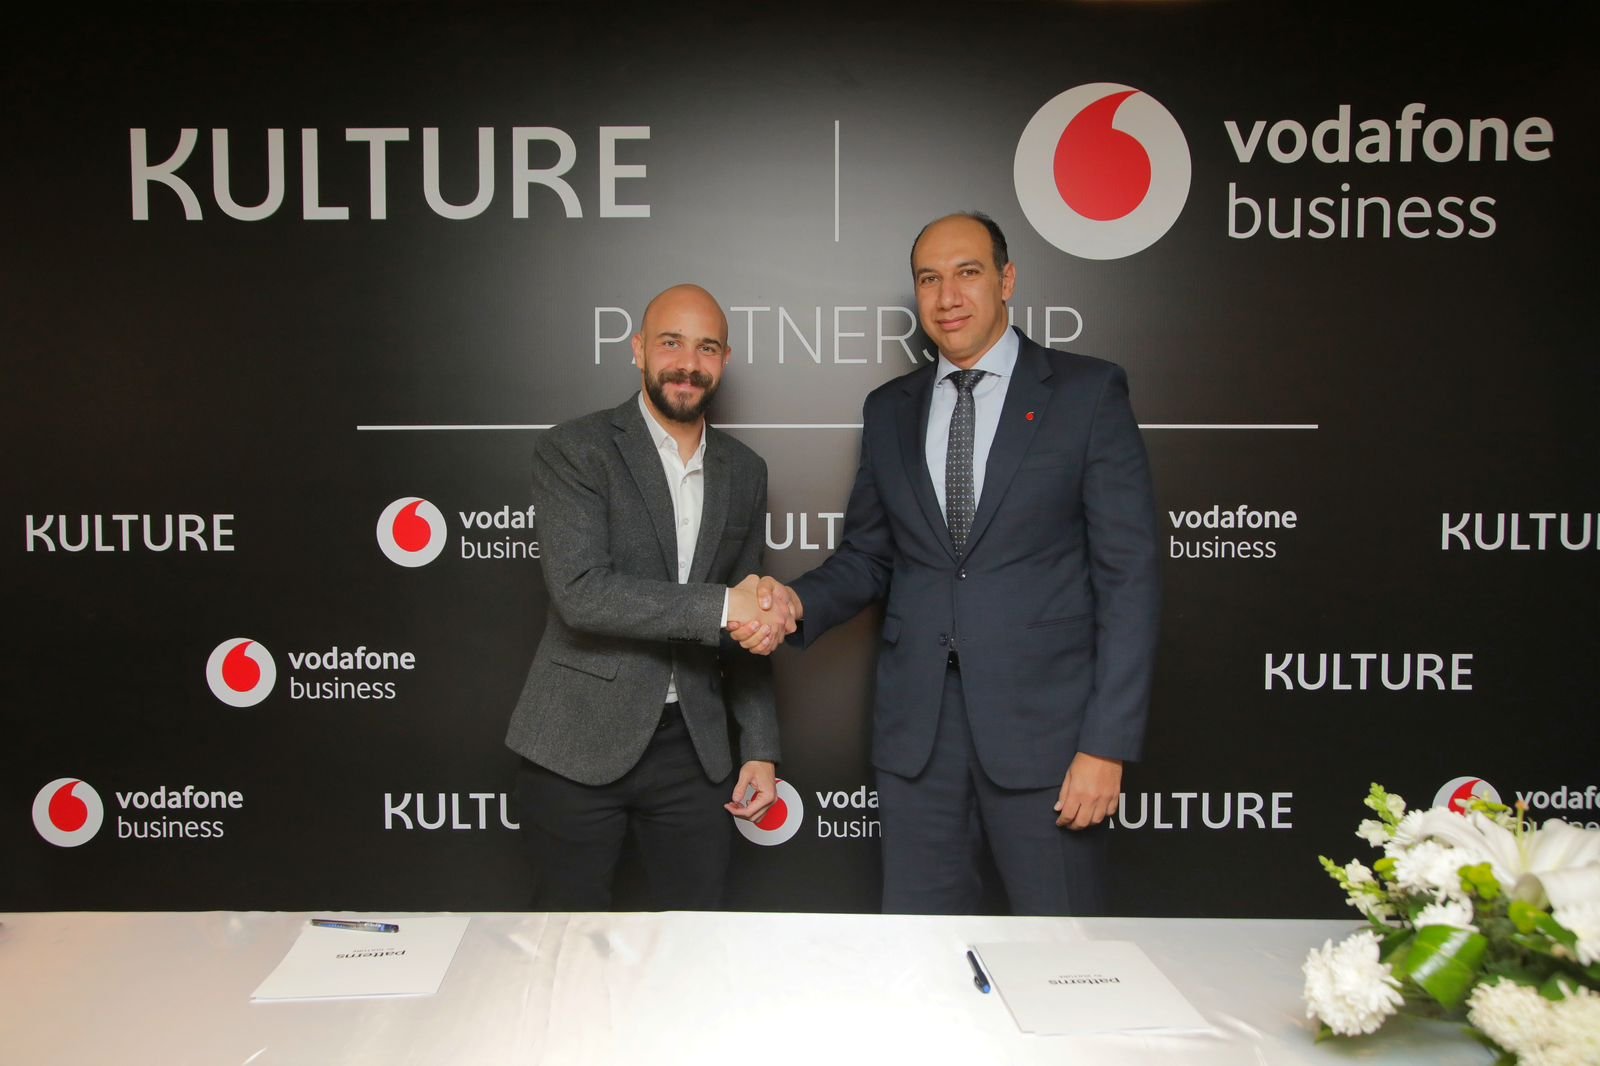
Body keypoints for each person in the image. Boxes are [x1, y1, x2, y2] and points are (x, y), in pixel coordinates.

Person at [737, 213, 1159, 915]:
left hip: (1049, 739)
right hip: (918, 739)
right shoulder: (889, 410)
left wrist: (1106, 745)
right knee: (919, 948)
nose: (948, 296)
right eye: (929, 279)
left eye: (968, 273)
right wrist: (795, 603)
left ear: (1006, 280)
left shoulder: (1086, 393)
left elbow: (1129, 582)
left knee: (1059, 949)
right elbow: (870, 556)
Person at [506, 283, 792, 911]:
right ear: (638, 349)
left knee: (692, 941)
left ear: (725, 360)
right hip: (575, 742)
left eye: (706, 348)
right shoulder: (575, 449)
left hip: (694, 749)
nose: (688, 363)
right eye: (670, 343)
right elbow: (582, 594)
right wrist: (726, 606)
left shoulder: (746, 471)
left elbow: (749, 627)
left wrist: (760, 748)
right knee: (567, 943)